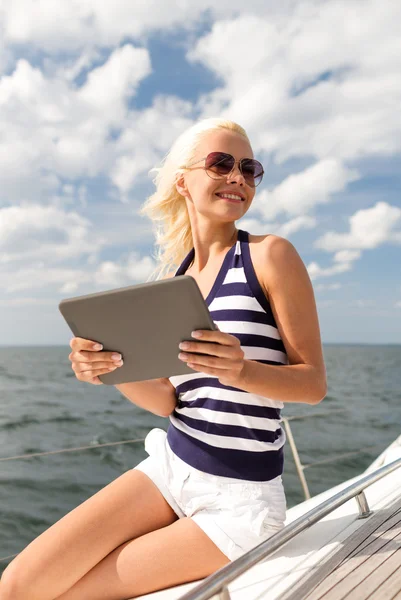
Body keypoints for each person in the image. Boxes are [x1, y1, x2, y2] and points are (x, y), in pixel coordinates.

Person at [0, 118, 327, 600]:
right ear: (183, 180)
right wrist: (111, 369)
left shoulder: (269, 256)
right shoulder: (174, 281)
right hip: (172, 465)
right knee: (19, 584)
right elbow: (168, 402)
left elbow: (313, 384)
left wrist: (241, 371)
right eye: (221, 163)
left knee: (72, 595)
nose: (237, 176)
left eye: (249, 168)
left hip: (238, 499)